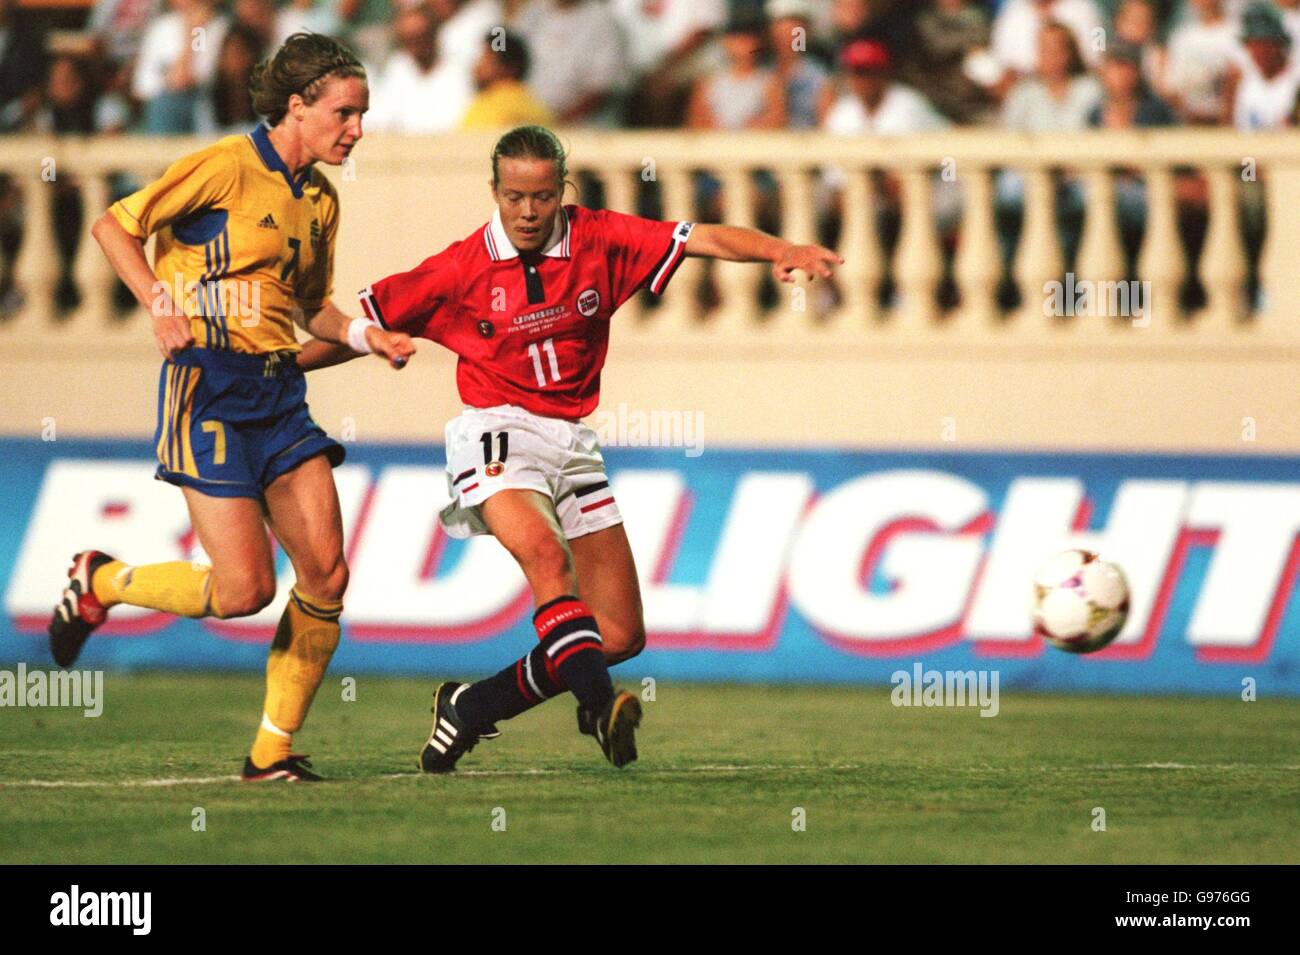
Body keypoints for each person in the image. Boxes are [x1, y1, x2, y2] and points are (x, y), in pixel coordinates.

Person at [296, 125, 842, 771]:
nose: (528, 212)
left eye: (543, 196)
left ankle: (471, 707)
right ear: (494, 192)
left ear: (563, 191)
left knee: (617, 633)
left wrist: (782, 247)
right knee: (545, 559)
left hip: (572, 442)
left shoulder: (601, 237)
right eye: (515, 197)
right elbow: (357, 327)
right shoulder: (458, 269)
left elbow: (704, 236)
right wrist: (278, 368)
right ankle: (597, 709)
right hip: (496, 430)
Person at [49, 33, 415, 783]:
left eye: (363, 113)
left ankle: (270, 753)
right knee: (243, 589)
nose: (357, 128)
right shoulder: (223, 167)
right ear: (297, 106)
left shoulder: (320, 201)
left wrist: (364, 334)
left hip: (279, 393)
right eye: (345, 112)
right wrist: (158, 301)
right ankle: (102, 580)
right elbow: (114, 224)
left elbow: (310, 308)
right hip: (207, 386)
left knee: (327, 575)